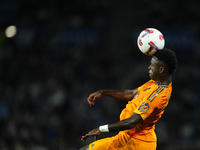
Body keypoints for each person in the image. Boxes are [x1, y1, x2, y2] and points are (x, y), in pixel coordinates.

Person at [80, 48, 178, 150]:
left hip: (138, 144)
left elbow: (131, 122)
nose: (149, 67)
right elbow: (130, 93)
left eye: (152, 66)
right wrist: (103, 92)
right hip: (125, 138)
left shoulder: (158, 95)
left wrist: (101, 129)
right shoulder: (154, 83)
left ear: (161, 70)